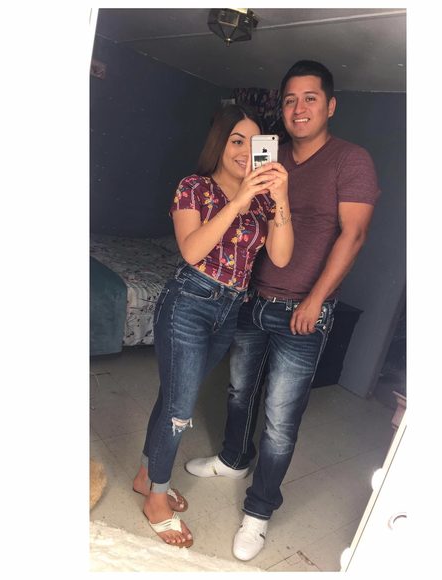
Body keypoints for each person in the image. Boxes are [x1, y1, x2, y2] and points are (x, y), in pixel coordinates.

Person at [185, 60, 381, 561]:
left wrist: (315, 300)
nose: (298, 108)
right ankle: (233, 459)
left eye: (310, 98)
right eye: (290, 99)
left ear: (330, 105)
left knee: (279, 418)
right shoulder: (268, 155)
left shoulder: (350, 160)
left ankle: (259, 511)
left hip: (303, 310)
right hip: (252, 299)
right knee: (238, 392)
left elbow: (355, 234)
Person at [132, 104, 294, 549]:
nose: (245, 151)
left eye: (255, 143)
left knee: (173, 398)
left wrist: (280, 197)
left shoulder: (265, 199)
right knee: (180, 408)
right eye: (236, 140)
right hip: (190, 302)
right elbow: (191, 250)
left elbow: (281, 257)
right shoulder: (195, 187)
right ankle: (156, 499)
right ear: (219, 144)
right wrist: (238, 201)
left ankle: (147, 476)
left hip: (230, 309)